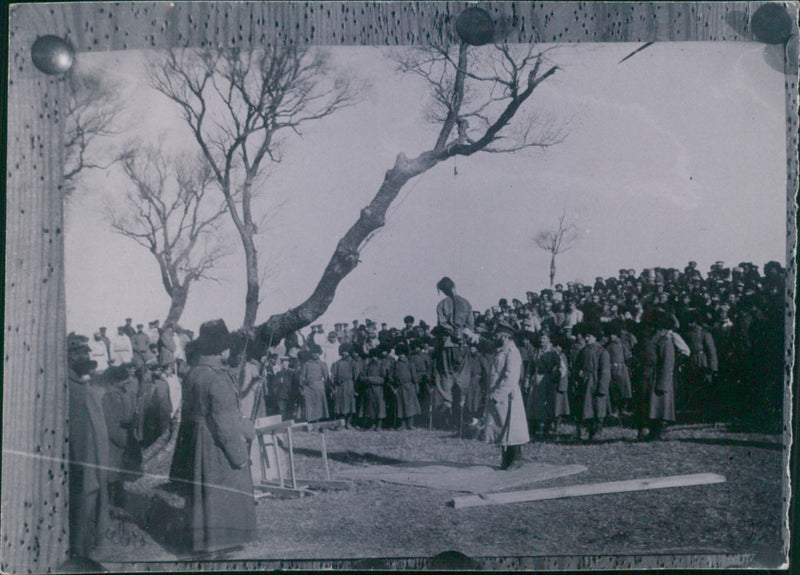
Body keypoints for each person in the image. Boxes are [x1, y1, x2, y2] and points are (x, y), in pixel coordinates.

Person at [177, 319, 256, 554]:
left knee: (202, 494)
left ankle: (204, 540)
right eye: (228, 345)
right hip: (215, 443)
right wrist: (240, 456)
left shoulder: (193, 373)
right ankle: (222, 541)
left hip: (196, 439)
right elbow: (226, 425)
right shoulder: (218, 377)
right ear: (221, 348)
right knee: (223, 491)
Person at [67, 332, 111, 559]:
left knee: (91, 495)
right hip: (85, 456)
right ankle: (80, 547)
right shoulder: (73, 389)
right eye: (80, 354)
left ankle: (88, 542)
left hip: (94, 456)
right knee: (85, 495)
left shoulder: (84, 387)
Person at [484, 319, 530, 470]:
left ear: (504, 336)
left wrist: (497, 394)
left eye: (497, 334)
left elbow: (511, 377)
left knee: (512, 427)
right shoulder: (501, 350)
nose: (495, 337)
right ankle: (506, 459)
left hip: (509, 396)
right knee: (502, 427)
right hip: (500, 396)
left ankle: (517, 458)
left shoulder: (512, 352)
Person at [433, 276, 476, 428]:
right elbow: (471, 325)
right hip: (463, 345)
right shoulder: (466, 303)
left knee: (446, 375)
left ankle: (448, 406)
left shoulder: (442, 304)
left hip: (448, 345)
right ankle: (461, 410)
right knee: (462, 376)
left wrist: (452, 332)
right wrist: (462, 333)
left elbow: (442, 323)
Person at [570, 323, 611, 441]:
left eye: (589, 336)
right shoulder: (583, 351)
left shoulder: (602, 352)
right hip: (585, 384)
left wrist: (602, 388)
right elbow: (577, 366)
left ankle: (598, 430)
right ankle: (587, 429)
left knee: (598, 407)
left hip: (596, 383)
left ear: (595, 337)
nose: (586, 338)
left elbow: (605, 372)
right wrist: (578, 376)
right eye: (585, 336)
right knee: (586, 408)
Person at [390, 343, 421, 430]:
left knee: (410, 406)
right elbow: (390, 377)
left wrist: (416, 387)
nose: (401, 356)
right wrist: (393, 387)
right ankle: (402, 425)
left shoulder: (410, 363)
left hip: (409, 386)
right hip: (399, 387)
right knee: (401, 406)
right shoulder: (395, 364)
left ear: (405, 354)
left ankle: (410, 424)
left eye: (402, 354)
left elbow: (414, 377)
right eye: (399, 354)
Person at [299, 344, 330, 423]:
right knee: (310, 405)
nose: (315, 355)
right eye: (313, 353)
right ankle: (310, 420)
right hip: (309, 388)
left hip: (319, 386)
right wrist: (304, 383)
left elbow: (326, 377)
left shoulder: (322, 364)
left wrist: (323, 385)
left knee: (319, 404)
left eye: (317, 353)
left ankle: (318, 420)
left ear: (319, 353)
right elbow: (302, 376)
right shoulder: (306, 364)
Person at [330, 344, 357, 428]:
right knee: (340, 405)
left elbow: (356, 376)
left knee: (350, 404)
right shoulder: (337, 363)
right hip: (340, 386)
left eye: (346, 352)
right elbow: (332, 376)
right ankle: (341, 423)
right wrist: (335, 382)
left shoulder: (353, 363)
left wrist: (355, 388)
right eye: (343, 352)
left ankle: (348, 423)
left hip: (350, 385)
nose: (345, 354)